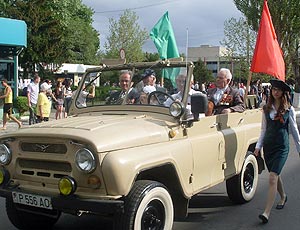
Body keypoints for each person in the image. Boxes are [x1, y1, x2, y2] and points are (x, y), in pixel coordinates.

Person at [254, 79, 300, 224]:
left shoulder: (289, 110)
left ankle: (266, 212)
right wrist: (258, 146)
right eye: (274, 89)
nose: (275, 92)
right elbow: (263, 129)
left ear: (283, 92)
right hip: (269, 147)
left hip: (281, 147)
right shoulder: (266, 109)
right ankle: (283, 196)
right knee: (275, 173)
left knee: (273, 177)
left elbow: (294, 130)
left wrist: (299, 148)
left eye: (278, 90)